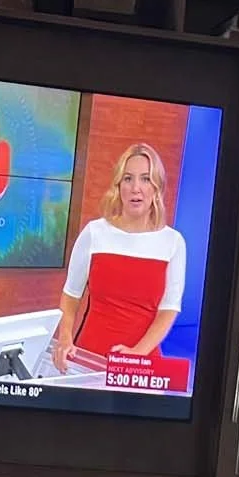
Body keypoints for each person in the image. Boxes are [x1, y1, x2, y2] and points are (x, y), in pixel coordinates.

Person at [50, 143, 186, 374]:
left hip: (142, 366)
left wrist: (136, 355)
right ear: (118, 186)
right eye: (128, 179)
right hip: (88, 358)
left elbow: (168, 311)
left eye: (145, 179)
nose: (136, 188)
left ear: (156, 188)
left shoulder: (173, 242)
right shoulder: (94, 233)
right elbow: (70, 296)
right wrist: (65, 338)